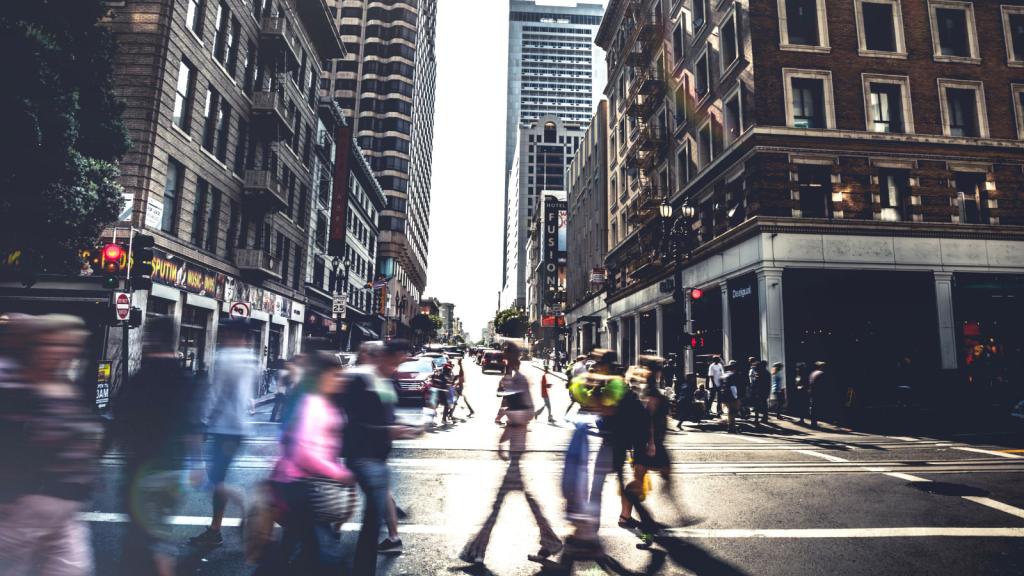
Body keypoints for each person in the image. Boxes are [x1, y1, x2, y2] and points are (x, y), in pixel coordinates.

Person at [0, 314, 102, 576]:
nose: (65, 352)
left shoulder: (67, 384)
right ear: (34, 346)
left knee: (74, 569)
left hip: (66, 506)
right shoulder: (15, 383)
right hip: (26, 506)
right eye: (56, 344)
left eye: (71, 346)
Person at [113, 316, 202, 576]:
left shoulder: (142, 377)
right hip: (174, 467)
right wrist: (198, 463)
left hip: (142, 467)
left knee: (145, 536)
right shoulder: (185, 377)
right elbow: (192, 424)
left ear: (148, 339)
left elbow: (120, 418)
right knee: (155, 527)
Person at [459, 343, 562, 566]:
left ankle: (477, 550)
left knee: (499, 504)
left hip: (517, 445)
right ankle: (550, 541)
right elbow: (512, 409)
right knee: (518, 500)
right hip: (515, 445)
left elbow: (526, 412)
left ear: (510, 356)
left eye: (504, 352)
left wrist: (505, 433)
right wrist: (503, 433)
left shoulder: (518, 378)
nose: (500, 356)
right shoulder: (512, 377)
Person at [268, 353, 355, 575]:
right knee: (324, 554)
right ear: (321, 375)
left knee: (295, 547)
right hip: (302, 484)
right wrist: (337, 473)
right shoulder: (313, 403)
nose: (341, 378)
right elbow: (302, 452)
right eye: (336, 374)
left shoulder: (322, 400)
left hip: (306, 483)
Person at [341, 339, 420, 574]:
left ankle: (362, 564)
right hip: (362, 456)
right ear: (382, 357)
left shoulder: (386, 382)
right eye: (396, 361)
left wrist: (406, 427)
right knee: (370, 518)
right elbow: (354, 425)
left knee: (372, 517)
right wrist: (388, 431)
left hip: (378, 459)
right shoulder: (359, 380)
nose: (397, 367)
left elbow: (387, 416)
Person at [189, 319, 261, 548]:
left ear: (233, 335)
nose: (222, 338)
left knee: (211, 479)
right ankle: (215, 529)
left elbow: (216, 393)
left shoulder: (225, 358)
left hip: (224, 428)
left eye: (225, 334)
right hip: (239, 429)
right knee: (215, 478)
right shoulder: (251, 360)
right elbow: (246, 395)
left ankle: (243, 503)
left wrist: (202, 423)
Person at [620, 357, 671, 538]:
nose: (661, 372)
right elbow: (649, 418)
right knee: (657, 473)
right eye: (660, 369)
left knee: (640, 477)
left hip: (645, 441)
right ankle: (677, 509)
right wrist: (651, 443)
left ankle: (625, 515)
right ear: (656, 371)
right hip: (650, 442)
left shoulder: (644, 387)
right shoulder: (650, 390)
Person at [720, 361, 742, 433]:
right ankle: (731, 427)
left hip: (724, 395)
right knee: (733, 411)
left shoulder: (723, 375)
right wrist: (736, 397)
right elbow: (733, 387)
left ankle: (731, 426)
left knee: (730, 411)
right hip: (731, 396)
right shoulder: (732, 375)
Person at [750, 360, 771, 424]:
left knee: (757, 406)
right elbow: (769, 384)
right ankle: (765, 418)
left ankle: (756, 419)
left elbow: (757, 383)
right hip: (765, 392)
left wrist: (754, 390)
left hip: (759, 392)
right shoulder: (767, 373)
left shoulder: (760, 373)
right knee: (764, 405)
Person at [807, 361, 826, 428]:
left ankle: (813, 422)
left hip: (812, 392)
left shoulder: (812, 373)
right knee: (816, 407)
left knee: (813, 407)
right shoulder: (821, 373)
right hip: (818, 392)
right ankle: (815, 422)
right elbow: (823, 384)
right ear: (821, 367)